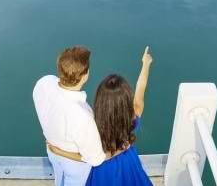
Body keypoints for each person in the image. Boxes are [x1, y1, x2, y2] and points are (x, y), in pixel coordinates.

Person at [49, 47, 154, 186]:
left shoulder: (92, 127)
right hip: (129, 165)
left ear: (100, 101)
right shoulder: (133, 120)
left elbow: (87, 158)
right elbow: (141, 88)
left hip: (103, 172)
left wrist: (60, 151)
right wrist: (146, 64)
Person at [33, 46, 106, 186]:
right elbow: (95, 159)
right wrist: (62, 151)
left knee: (58, 179)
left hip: (51, 151)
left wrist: (57, 150)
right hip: (74, 166)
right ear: (85, 76)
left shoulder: (43, 83)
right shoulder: (83, 116)